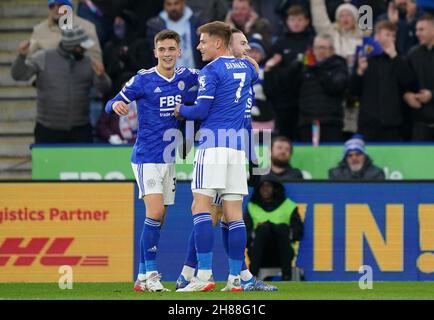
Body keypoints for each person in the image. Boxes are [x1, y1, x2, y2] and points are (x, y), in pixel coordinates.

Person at [175, 29, 277, 292]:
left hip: (215, 145)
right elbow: (253, 71)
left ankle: (204, 276)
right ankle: (234, 278)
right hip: (236, 150)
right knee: (230, 215)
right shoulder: (246, 72)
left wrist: (180, 110)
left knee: (201, 209)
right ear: (229, 45)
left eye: (203, 42)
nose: (199, 46)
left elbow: (201, 110)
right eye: (243, 43)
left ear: (218, 43)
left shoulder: (213, 71)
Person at [104, 29, 199, 292]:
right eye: (162, 49)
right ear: (155, 52)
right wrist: (115, 106)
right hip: (147, 156)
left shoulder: (188, 76)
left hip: (169, 158)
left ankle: (142, 277)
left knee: (160, 218)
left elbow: (214, 79)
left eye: (172, 49)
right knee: (154, 212)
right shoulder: (143, 80)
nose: (167, 54)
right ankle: (153, 274)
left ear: (179, 51)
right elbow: (111, 102)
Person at [11, 26, 111, 143]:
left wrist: (101, 76)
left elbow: (105, 89)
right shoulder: (44, 57)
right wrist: (21, 57)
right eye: (82, 47)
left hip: (80, 129)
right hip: (48, 129)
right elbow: (19, 75)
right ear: (72, 46)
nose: (85, 50)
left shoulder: (88, 62)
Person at [350, 21, 415, 141]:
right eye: (387, 35)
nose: (391, 39)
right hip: (368, 125)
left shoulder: (399, 58)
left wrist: (395, 57)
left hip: (392, 125)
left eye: (393, 36)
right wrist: (359, 72)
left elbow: (408, 81)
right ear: (376, 36)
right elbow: (353, 91)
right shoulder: (363, 58)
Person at [263, 4, 315, 140]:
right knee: (284, 138)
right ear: (287, 21)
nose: (296, 23)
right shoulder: (280, 43)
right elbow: (272, 71)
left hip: (307, 100)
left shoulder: (313, 42)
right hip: (284, 102)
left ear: (307, 21)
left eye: (299, 19)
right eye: (292, 19)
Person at [291, 33, 349, 142]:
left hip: (331, 122)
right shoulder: (304, 66)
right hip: (307, 121)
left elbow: (336, 87)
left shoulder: (339, 65)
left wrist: (317, 69)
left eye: (323, 48)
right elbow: (291, 89)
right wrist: (294, 68)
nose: (320, 51)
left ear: (332, 50)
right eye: (317, 48)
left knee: (330, 156)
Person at [245, 177, 304, 281]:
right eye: (262, 186)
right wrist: (260, 230)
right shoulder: (252, 207)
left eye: (268, 186)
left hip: (283, 253)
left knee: (282, 228)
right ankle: (252, 276)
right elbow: (245, 235)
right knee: (263, 230)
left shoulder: (288, 206)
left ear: (275, 188)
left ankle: (287, 276)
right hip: (260, 255)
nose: (265, 189)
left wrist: (275, 228)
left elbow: (298, 232)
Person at [29, 0, 102, 62]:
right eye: (52, 6)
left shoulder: (86, 27)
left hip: (78, 74)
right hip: (49, 75)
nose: (56, 9)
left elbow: (95, 57)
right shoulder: (39, 30)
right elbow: (31, 59)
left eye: (61, 5)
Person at [146, 0, 203, 69]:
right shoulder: (155, 26)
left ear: (183, 3)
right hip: (168, 75)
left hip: (195, 73)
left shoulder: (197, 23)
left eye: (176, 3)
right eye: (169, 4)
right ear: (164, 5)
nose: (173, 8)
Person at [404, 14, 434, 141]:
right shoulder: (413, 53)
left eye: (421, 29)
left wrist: (432, 95)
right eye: (416, 30)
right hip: (420, 124)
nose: (417, 33)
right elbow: (405, 81)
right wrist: (407, 95)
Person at [309, 0, 363, 69]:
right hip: (333, 74)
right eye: (341, 16)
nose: (345, 18)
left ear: (355, 18)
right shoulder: (330, 33)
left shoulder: (362, 37)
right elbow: (318, 13)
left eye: (349, 15)